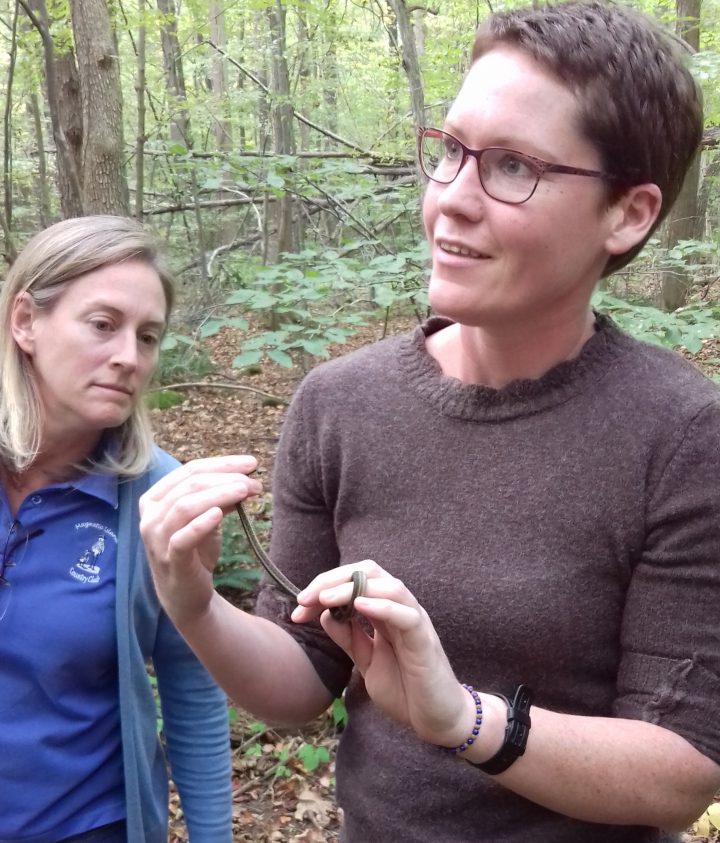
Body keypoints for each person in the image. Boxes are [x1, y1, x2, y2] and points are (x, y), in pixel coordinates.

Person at [139, 3, 720, 842]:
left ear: (627, 213)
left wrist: (464, 720)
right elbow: (302, 679)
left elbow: (682, 770)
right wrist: (192, 603)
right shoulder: (340, 403)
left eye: (512, 165)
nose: (450, 199)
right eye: (450, 151)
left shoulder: (683, 435)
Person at [0, 216, 233, 843]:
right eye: (103, 325)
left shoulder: (157, 497)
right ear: (26, 321)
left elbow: (192, 685)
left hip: (86, 825)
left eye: (148, 336)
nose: (129, 357)